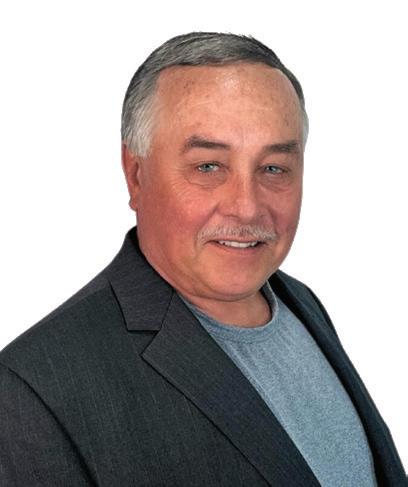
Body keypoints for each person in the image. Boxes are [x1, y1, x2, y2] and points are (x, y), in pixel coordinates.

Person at [0, 32, 406, 487]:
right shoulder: (33, 388)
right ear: (136, 176)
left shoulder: (301, 303)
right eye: (208, 167)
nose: (247, 207)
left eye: (274, 168)